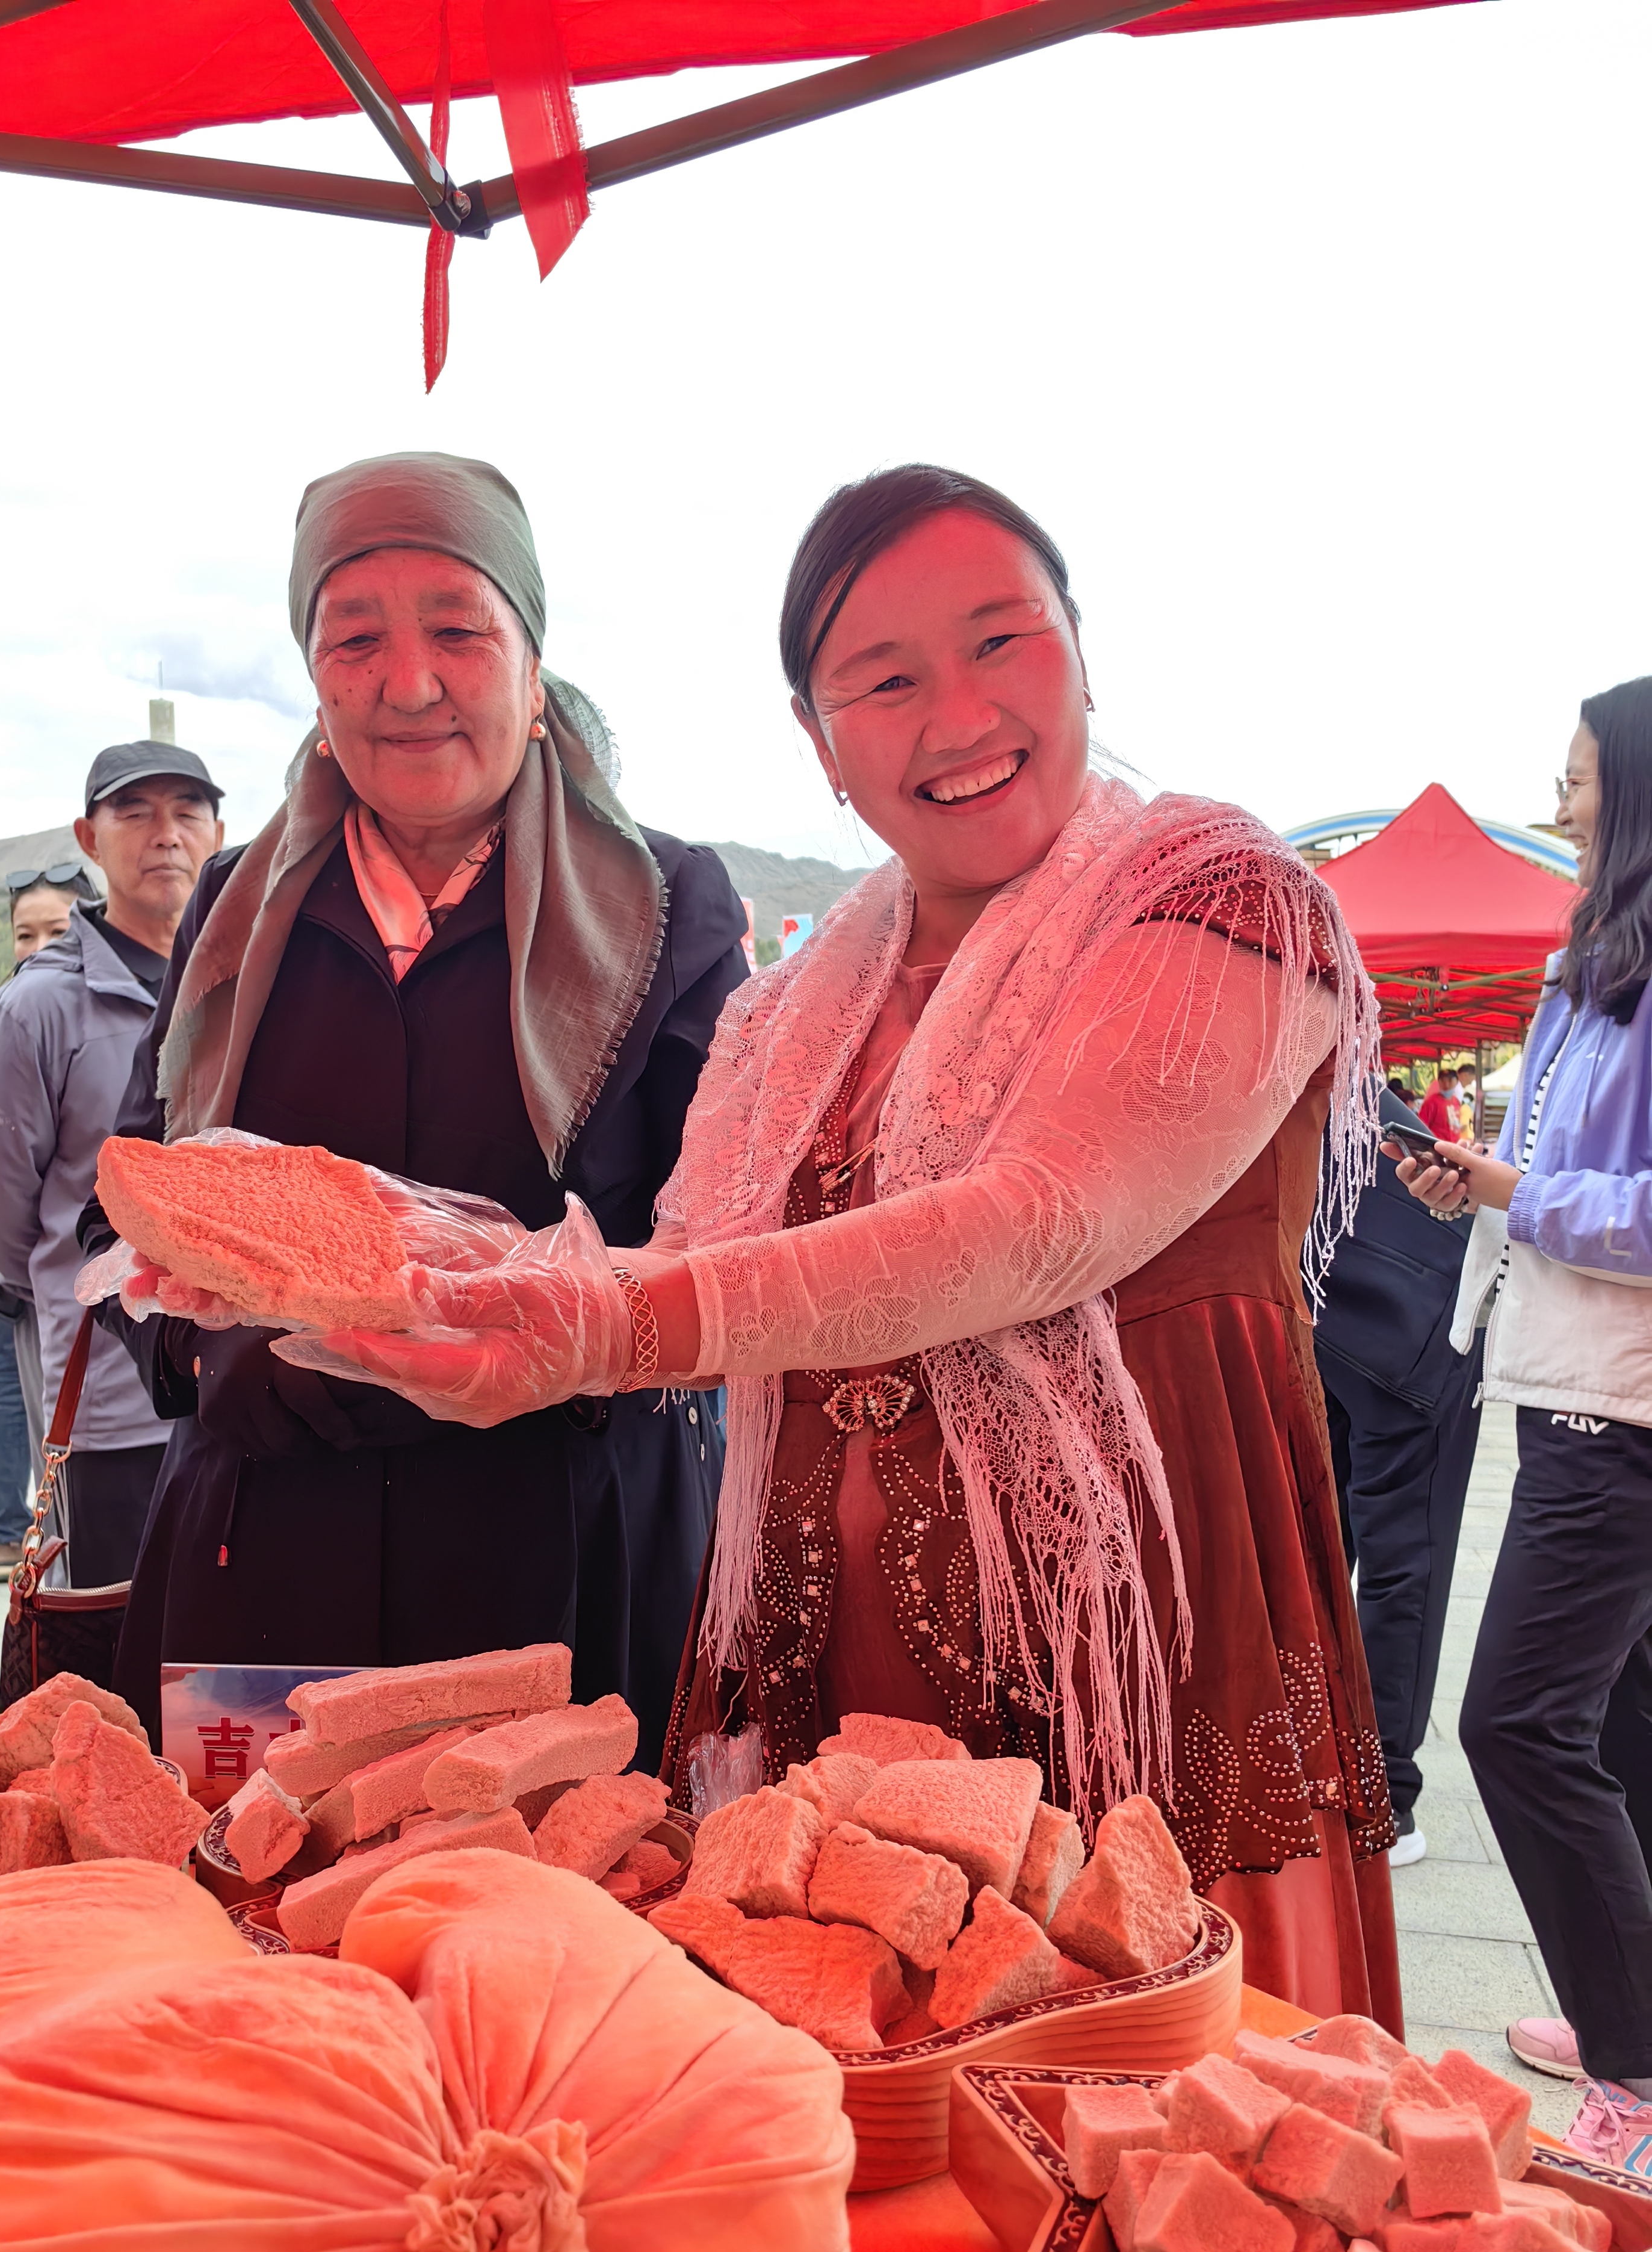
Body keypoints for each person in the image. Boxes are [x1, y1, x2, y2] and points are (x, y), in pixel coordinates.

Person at [330, 464, 1401, 2025]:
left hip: (1145, 1661)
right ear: (819, 743)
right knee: (867, 2077)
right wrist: (400, 1266)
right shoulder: (795, 1004)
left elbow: (1043, 1222)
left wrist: (608, 1326)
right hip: (834, 1678)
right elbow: (678, 1261)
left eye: (1001, 641)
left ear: (1080, 650)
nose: (957, 714)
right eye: (884, 682)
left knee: (1151, 2084)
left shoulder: (1221, 895)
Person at [90, 452, 748, 1763]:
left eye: (458, 630)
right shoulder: (235, 906)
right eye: (355, 638)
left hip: (559, 1549)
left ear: (532, 665)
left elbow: (724, 1238)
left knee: (564, 1884)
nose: (408, 683)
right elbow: (131, 1200)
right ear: (315, 676)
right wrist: (209, 1362)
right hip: (265, 1549)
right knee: (254, 1878)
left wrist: (545, 1346)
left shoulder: (668, 906)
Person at [1396, 674, 1652, 2173]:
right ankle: (1632, 2015)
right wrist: (1480, 1182)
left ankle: (1632, 2068)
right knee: (1615, 1720)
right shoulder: (1587, 966)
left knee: (1514, 1722)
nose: (1558, 802)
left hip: (1617, 1398)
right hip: (1564, 1375)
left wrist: (1518, 1190)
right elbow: (1556, 1175)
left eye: (1577, 776)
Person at [0, 744, 226, 1592]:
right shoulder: (39, 1007)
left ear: (219, 834)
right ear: (88, 838)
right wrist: (82, 1285)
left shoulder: (243, 985)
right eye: (135, 812)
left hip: (243, 1391)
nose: (165, 834)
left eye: (187, 811)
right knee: (119, 1635)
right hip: (114, 1398)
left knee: (228, 1644)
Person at [1316, 1081, 1482, 1869]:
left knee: (1331, 1543)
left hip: (1335, 1291)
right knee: (1397, 1558)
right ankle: (1382, 1794)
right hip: (1402, 1295)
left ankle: (1344, 1775)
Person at [0, 872, 91, 1580]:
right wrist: (34, 1267)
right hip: (18, 1281)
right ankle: (10, 1530)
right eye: (25, 933)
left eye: (57, 931)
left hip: (57, 1282)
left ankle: (25, 1535)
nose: (39, 947)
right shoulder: (8, 1016)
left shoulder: (95, 1010)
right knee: (10, 1399)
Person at [1417, 1069, 1459, 1144]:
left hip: (1455, 1145)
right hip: (1437, 1145)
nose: (1446, 1085)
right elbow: (1421, 1126)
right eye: (1443, 1081)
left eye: (1450, 1081)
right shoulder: (1431, 1103)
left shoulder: (1456, 1102)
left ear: (1457, 1082)